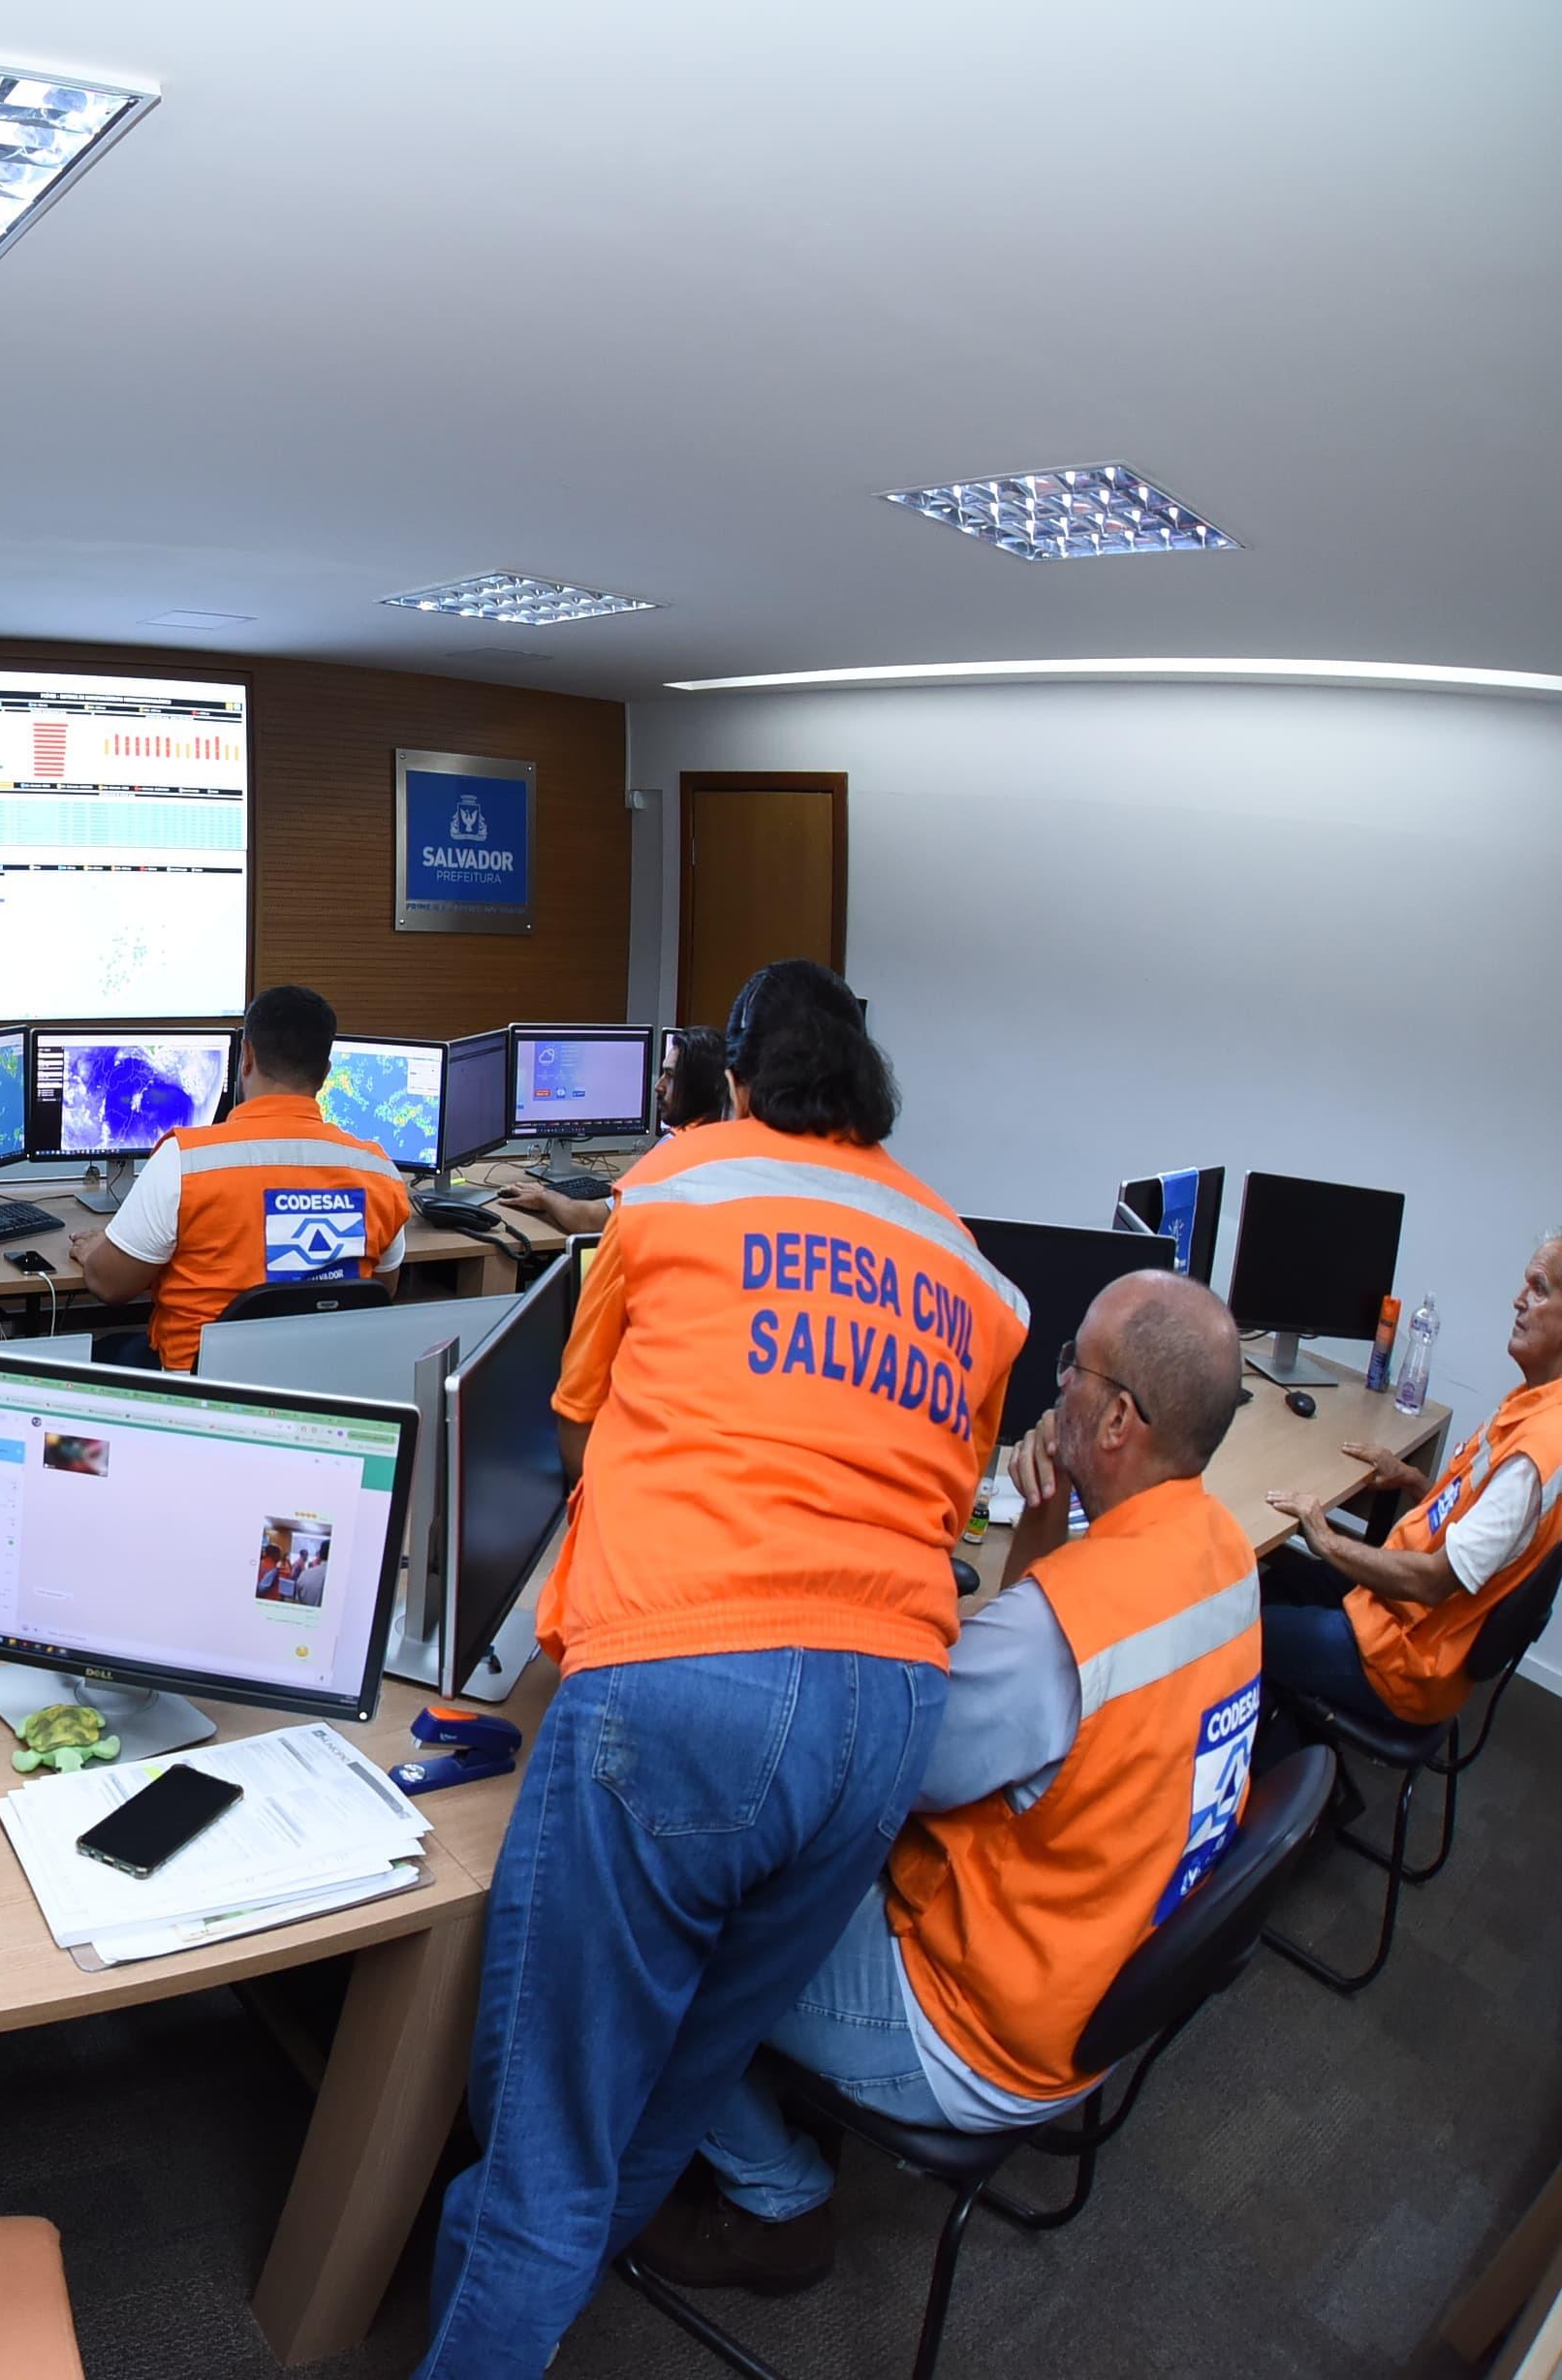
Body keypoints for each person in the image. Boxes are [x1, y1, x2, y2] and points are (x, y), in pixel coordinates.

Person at [417, 959, 1027, 2379]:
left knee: (544, 2142)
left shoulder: (679, 1186)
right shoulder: (977, 1276)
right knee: (670, 2091)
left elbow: (576, 1436)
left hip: (687, 1681)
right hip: (887, 1715)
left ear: (736, 1082)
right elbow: (950, 1508)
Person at [636, 1271, 1257, 2290]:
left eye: (1071, 1367)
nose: (1052, 1386)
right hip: (1092, 1966)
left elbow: (889, 1773)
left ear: (1114, 1419)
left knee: (658, 1937)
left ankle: (774, 2195)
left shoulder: (1057, 1635)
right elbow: (1043, 1707)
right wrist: (1036, 1536)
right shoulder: (1219, 1546)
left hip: (974, 2025)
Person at [1256, 1231, 1562, 1730]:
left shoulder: (1540, 1453)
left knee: (1234, 1633)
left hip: (1408, 1660)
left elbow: (1435, 1581)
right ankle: (1286, 1735)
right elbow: (1475, 1520)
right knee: (1278, 1577)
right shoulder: (1535, 1404)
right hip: (1398, 1611)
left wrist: (1327, 1536)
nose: (1518, 1299)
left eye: (1540, 1287)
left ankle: (1293, 1777)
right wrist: (1412, 1478)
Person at [69, 984, 410, 1371]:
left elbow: (110, 1287)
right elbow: (380, 1292)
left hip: (199, 1398)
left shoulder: (186, 1162)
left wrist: (99, 1250)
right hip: (319, 1390)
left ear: (246, 1056)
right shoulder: (379, 1171)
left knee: (101, 1350)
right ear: (325, 1073)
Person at [506, 1025, 731, 1235]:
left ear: (697, 1087)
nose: (658, 1085)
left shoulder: (673, 1153)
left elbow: (591, 1222)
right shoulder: (729, 1141)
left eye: (670, 1076)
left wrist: (545, 1196)